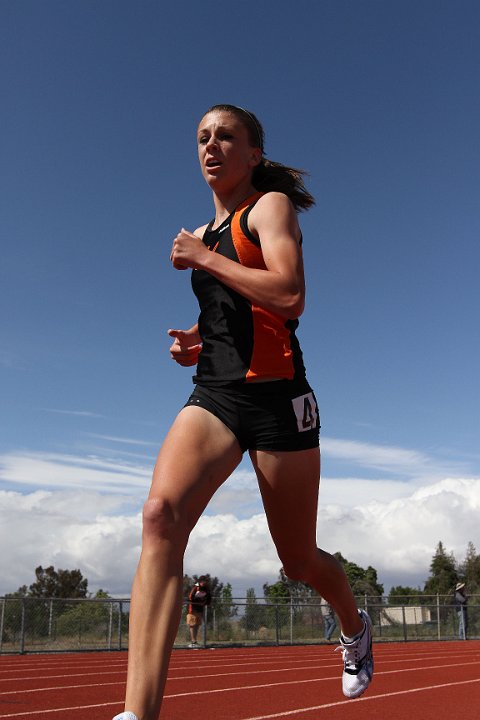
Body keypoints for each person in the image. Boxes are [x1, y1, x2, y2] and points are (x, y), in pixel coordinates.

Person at [113, 104, 373, 720]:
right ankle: (136, 713)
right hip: (217, 395)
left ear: (252, 154)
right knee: (159, 517)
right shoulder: (206, 235)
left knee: (298, 559)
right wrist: (197, 342)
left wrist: (203, 259)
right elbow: (236, 310)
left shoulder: (269, 208)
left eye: (226, 136)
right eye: (202, 138)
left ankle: (353, 624)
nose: (211, 146)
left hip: (281, 399)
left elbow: (289, 294)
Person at [186, 576, 211, 647]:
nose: (205, 583)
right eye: (203, 581)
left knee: (197, 625)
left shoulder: (206, 588)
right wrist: (197, 599)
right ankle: (193, 641)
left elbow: (209, 597)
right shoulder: (195, 587)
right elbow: (190, 596)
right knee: (192, 624)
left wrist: (206, 602)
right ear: (200, 581)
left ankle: (195, 641)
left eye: (206, 581)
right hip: (192, 609)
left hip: (200, 609)